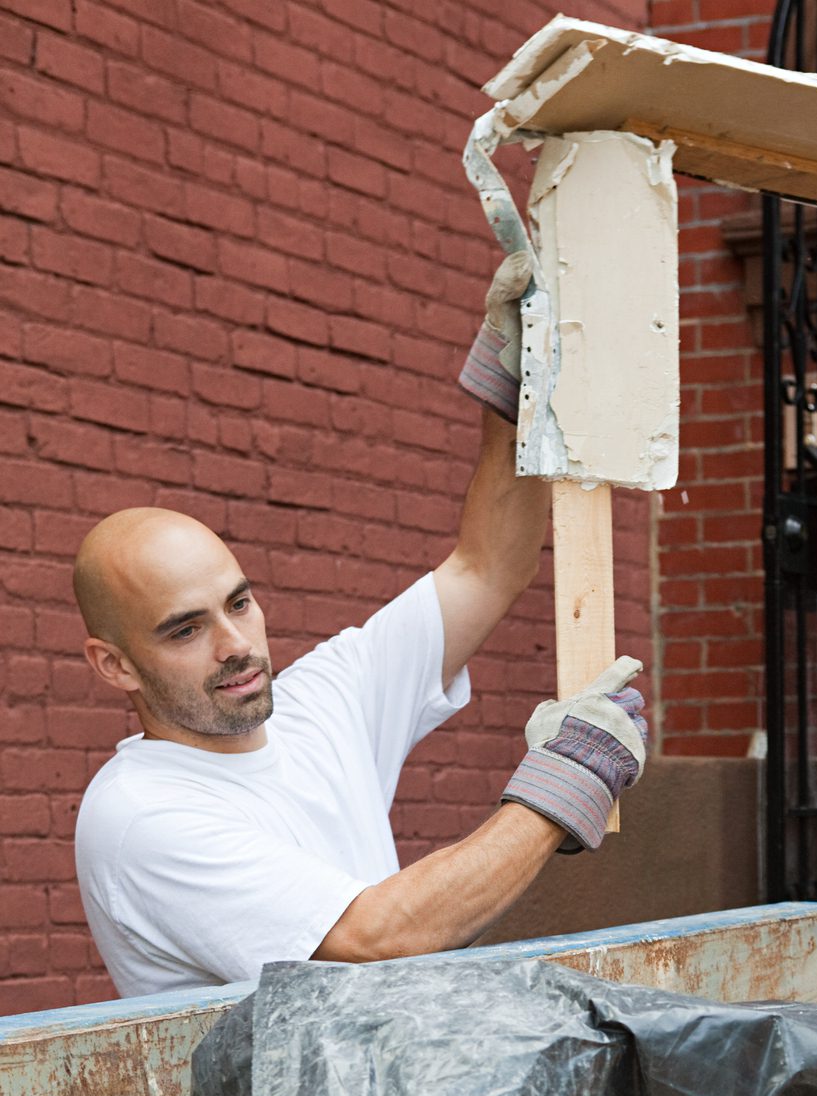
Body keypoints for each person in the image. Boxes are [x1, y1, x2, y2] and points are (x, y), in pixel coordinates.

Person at [73, 255, 648, 998]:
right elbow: (378, 937)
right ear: (113, 664)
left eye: (239, 602)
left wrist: (515, 385)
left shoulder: (323, 700)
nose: (236, 644)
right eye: (185, 631)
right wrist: (565, 782)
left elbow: (485, 568)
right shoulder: (138, 816)